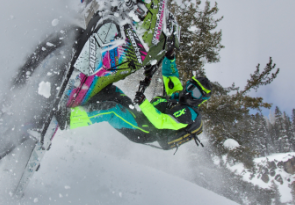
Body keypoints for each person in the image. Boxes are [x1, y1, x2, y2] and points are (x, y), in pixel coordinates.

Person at [67, 49, 212, 148]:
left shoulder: (188, 114)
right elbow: (170, 74)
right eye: (190, 86)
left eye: (195, 93)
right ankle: (83, 95)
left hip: (142, 130)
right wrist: (170, 55)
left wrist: (143, 102)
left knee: (111, 111)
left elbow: (161, 121)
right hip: (139, 117)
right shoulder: (178, 96)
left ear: (201, 100)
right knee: (112, 91)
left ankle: (68, 119)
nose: (188, 92)